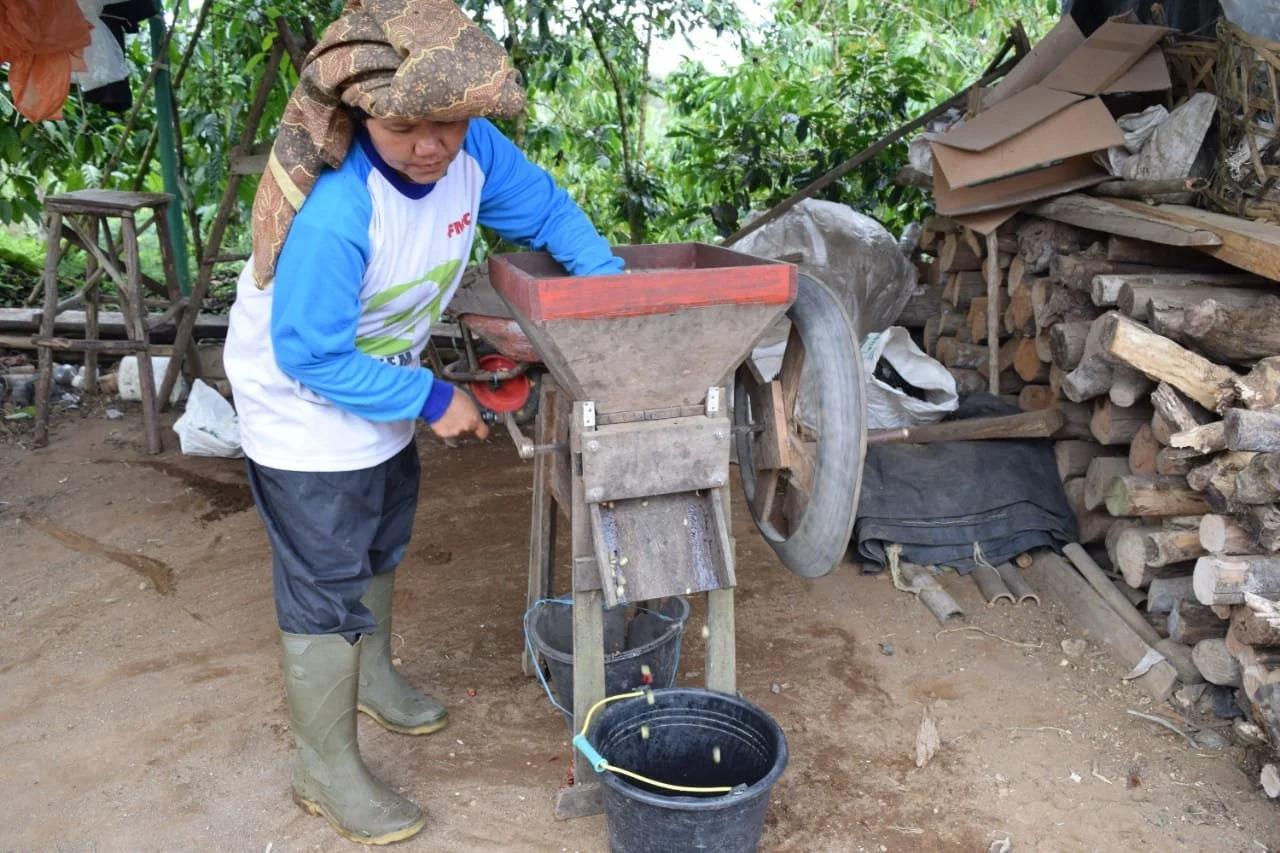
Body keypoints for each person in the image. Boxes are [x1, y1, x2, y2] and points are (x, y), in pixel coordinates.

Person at [222, 0, 623, 844]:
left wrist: (608, 292)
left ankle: (371, 675)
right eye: (406, 125)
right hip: (301, 396)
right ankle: (323, 769)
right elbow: (311, 355)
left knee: (380, 527)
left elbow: (549, 214)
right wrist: (437, 399)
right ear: (363, 113)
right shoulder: (337, 211)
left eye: (447, 120)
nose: (431, 143)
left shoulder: (475, 151)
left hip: (379, 374)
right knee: (324, 573)